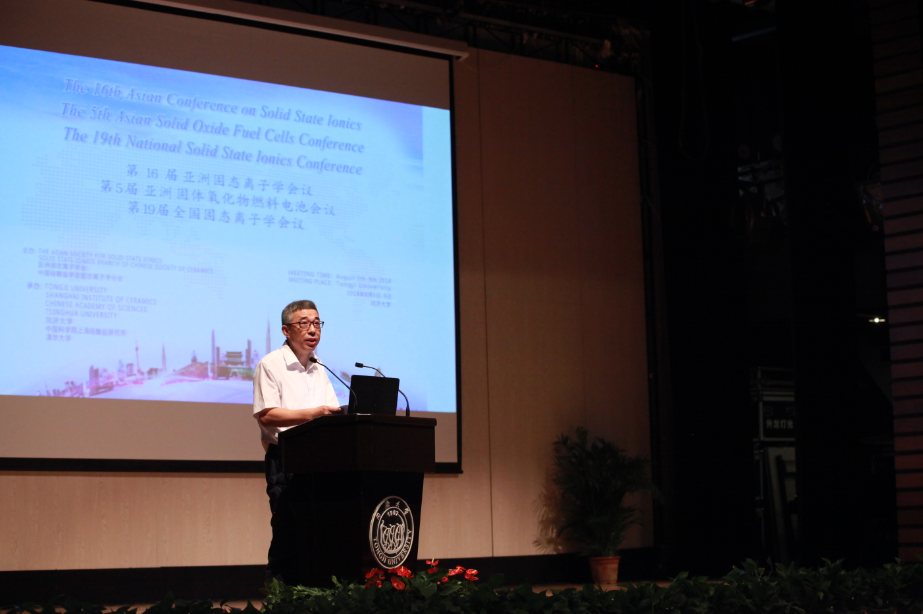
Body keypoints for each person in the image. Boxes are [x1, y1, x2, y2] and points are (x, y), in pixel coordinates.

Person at [253, 299, 342, 583]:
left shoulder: (318, 366)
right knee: (286, 537)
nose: (313, 330)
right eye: (304, 323)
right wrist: (314, 413)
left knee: (317, 537)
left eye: (317, 323)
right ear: (286, 330)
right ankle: (279, 599)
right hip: (285, 460)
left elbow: (330, 412)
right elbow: (267, 415)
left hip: (319, 463)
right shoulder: (271, 364)